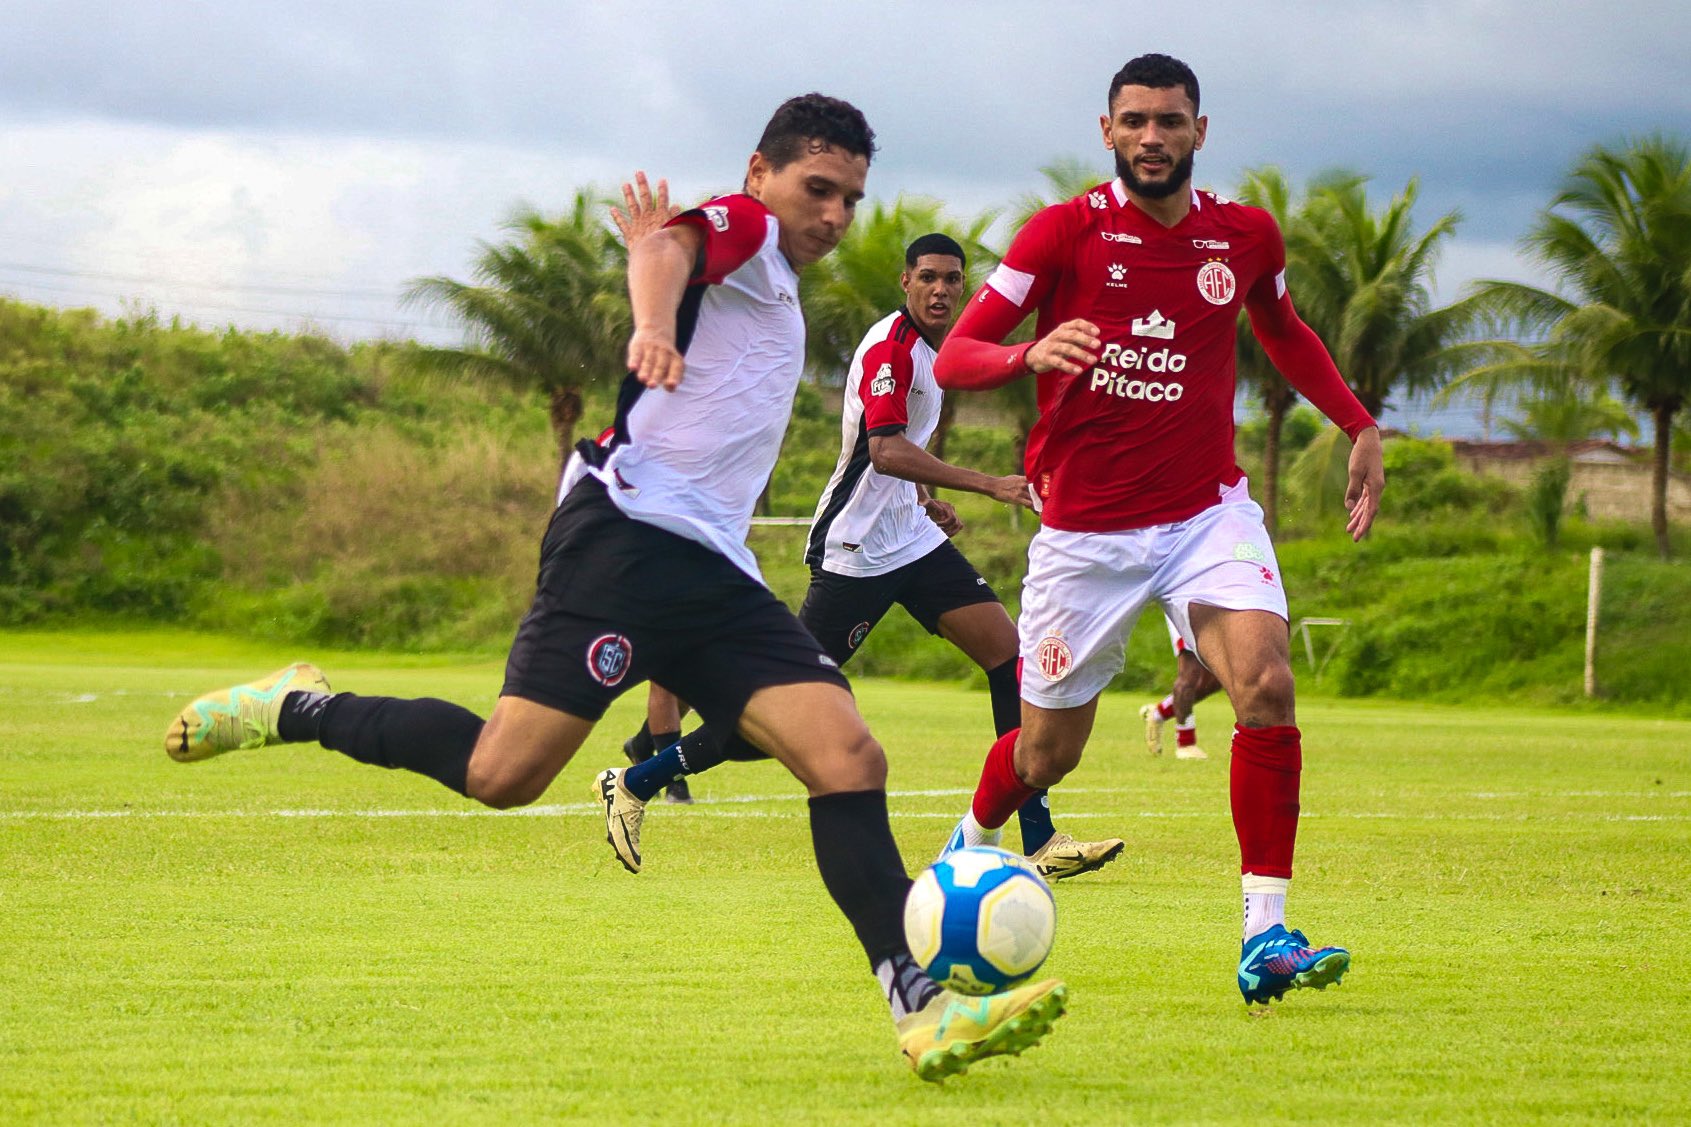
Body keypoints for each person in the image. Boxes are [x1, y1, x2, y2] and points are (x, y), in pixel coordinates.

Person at [161, 95, 1064, 1080]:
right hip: (621, 541)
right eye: (818, 188)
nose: (834, 214)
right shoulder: (748, 228)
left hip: (712, 569)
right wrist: (648, 322)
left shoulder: (778, 286)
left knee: (846, 751)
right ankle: (295, 707)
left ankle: (919, 1002)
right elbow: (666, 247)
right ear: (760, 173)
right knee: (503, 775)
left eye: (849, 197)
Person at [931, 54, 1384, 1006]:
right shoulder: (1061, 234)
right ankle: (960, 860)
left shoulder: (1244, 236)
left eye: (1168, 121)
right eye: (1133, 120)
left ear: (1198, 132)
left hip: (1203, 513)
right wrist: (1029, 350)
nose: (1151, 137)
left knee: (1263, 680)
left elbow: (1285, 332)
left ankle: (1266, 935)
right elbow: (960, 353)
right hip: (1084, 537)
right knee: (1044, 754)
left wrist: (1357, 424)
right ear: (1107, 132)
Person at [597, 230, 1126, 882]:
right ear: (904, 282)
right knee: (781, 714)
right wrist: (989, 483)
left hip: (910, 538)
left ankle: (1037, 835)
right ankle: (638, 778)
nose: (939, 289)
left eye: (951, 279)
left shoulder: (936, 352)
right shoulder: (895, 350)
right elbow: (882, 449)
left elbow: (901, 447)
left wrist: (926, 499)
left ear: (965, 286)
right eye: (926, 277)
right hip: (856, 551)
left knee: (1007, 657)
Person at [1140, 613, 1222, 759]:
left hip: (1219, 605)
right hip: (1187, 601)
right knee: (1190, 672)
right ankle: (1185, 743)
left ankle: (1159, 713)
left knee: (1216, 679)